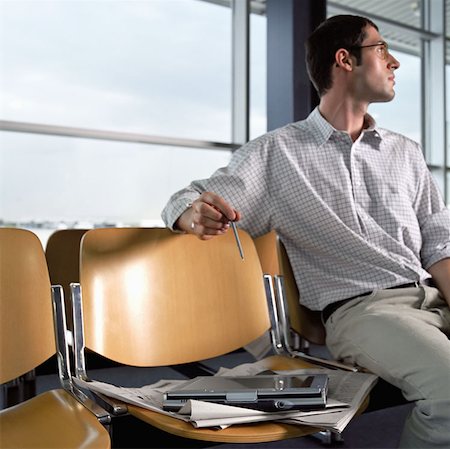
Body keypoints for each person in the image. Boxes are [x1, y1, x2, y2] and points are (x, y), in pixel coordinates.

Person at [161, 14, 450, 448]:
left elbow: (438, 241)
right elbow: (190, 196)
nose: (395, 62)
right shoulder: (278, 154)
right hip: (367, 312)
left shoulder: (405, 152)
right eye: (381, 50)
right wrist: (190, 213)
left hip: (434, 298)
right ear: (345, 60)